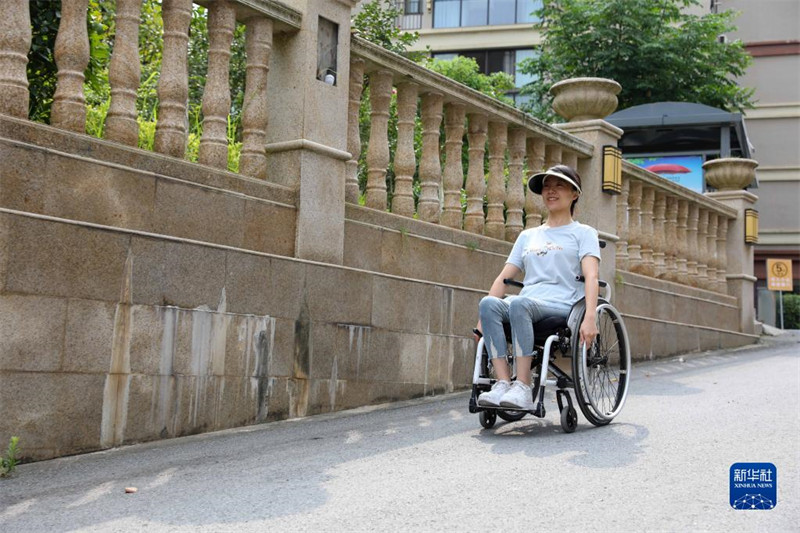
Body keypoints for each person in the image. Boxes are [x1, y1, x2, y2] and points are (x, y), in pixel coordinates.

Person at [474, 165, 601, 411]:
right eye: (547, 186)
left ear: (574, 194)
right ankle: (502, 383)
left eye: (559, 186)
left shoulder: (583, 233)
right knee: (488, 303)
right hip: (528, 303)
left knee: (520, 303)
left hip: (563, 306)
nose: (551, 191)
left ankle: (522, 386)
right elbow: (504, 278)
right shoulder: (528, 236)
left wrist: (591, 317)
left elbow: (592, 275)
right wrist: (481, 321)